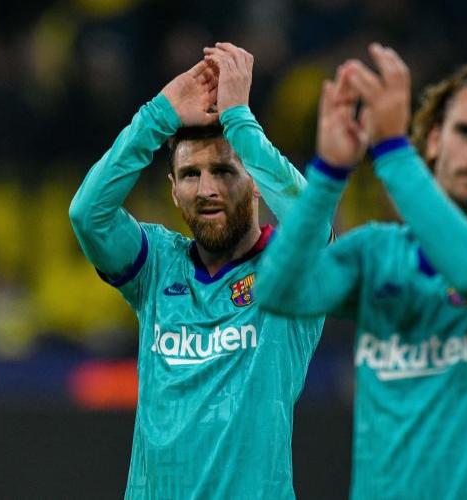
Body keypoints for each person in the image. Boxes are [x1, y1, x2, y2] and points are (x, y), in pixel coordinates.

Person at [255, 44, 467, 499]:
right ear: (436, 141)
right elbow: (277, 291)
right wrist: (328, 173)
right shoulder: (377, 251)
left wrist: (392, 151)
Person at [69, 43, 327, 499]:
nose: (206, 189)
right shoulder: (156, 266)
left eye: (224, 171)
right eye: (190, 174)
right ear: (173, 191)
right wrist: (157, 115)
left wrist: (240, 121)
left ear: (255, 182)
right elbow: (88, 215)